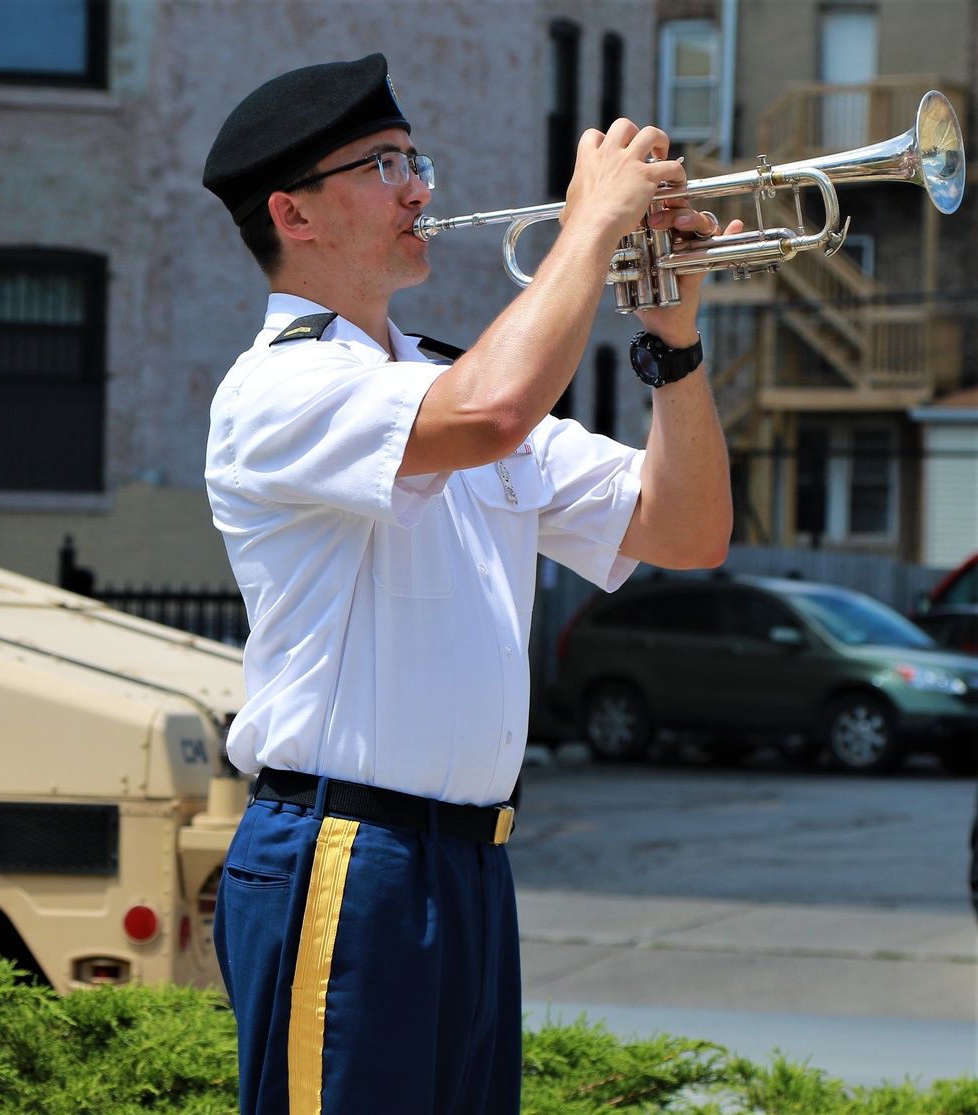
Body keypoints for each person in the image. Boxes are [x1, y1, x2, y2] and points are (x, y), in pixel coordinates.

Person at [202, 53, 734, 1115]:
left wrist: (672, 342)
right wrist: (588, 227)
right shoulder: (282, 386)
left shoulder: (444, 380)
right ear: (292, 214)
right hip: (345, 855)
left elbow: (687, 532)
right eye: (382, 164)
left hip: (466, 862)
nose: (419, 188)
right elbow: (490, 412)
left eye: (415, 158)